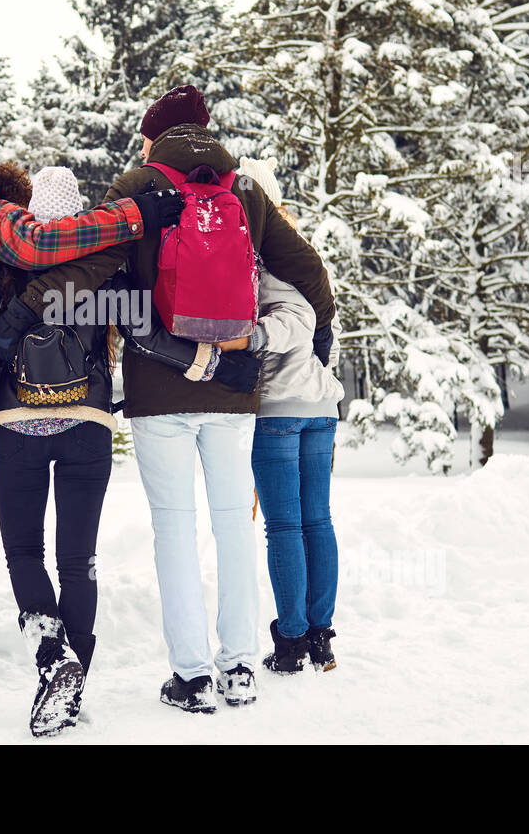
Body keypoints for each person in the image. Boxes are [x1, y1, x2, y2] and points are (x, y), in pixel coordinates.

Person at [0, 166, 259, 735]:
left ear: (33, 213)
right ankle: (71, 681)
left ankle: (50, 658)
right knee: (78, 560)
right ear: (81, 215)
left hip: (18, 426)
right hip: (88, 425)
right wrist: (212, 364)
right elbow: (144, 333)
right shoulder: (107, 269)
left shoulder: (12, 267)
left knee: (24, 554)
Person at [98, 85, 338, 713]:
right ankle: (239, 669)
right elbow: (307, 269)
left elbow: (109, 282)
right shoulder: (244, 189)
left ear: (156, 137)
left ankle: (192, 677)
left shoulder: (135, 184)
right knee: (234, 526)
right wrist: (322, 333)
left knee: (173, 531)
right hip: (234, 386)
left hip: (158, 388)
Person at [237, 156, 345, 674]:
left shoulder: (261, 252)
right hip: (320, 404)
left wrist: (251, 339)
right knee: (315, 521)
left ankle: (293, 641)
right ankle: (319, 634)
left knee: (285, 527)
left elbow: (297, 322)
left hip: (280, 405)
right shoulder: (302, 253)